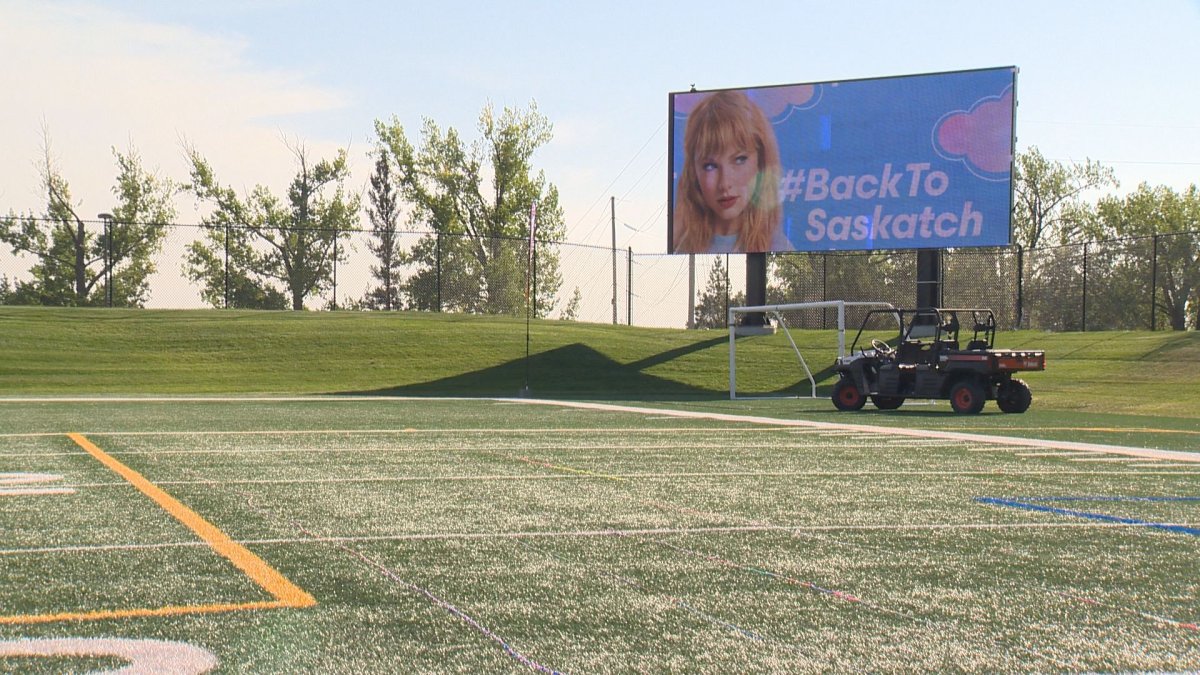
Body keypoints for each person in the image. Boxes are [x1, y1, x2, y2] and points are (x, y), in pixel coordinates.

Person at [672, 90, 792, 253]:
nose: (725, 183)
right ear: (694, 173)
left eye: (739, 159)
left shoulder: (778, 248)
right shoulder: (682, 247)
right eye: (710, 166)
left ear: (761, 162)